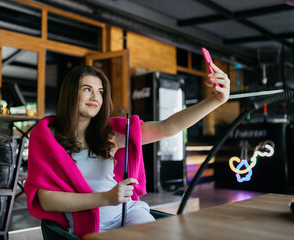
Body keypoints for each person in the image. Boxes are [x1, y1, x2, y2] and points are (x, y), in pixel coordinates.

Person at [24, 64, 230, 239]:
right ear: (70, 93)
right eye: (87, 89)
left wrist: (216, 100)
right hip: (88, 226)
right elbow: (47, 200)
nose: (95, 96)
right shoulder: (47, 137)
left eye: (100, 91)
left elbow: (168, 127)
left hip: (128, 212)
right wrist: (106, 198)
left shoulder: (111, 134)